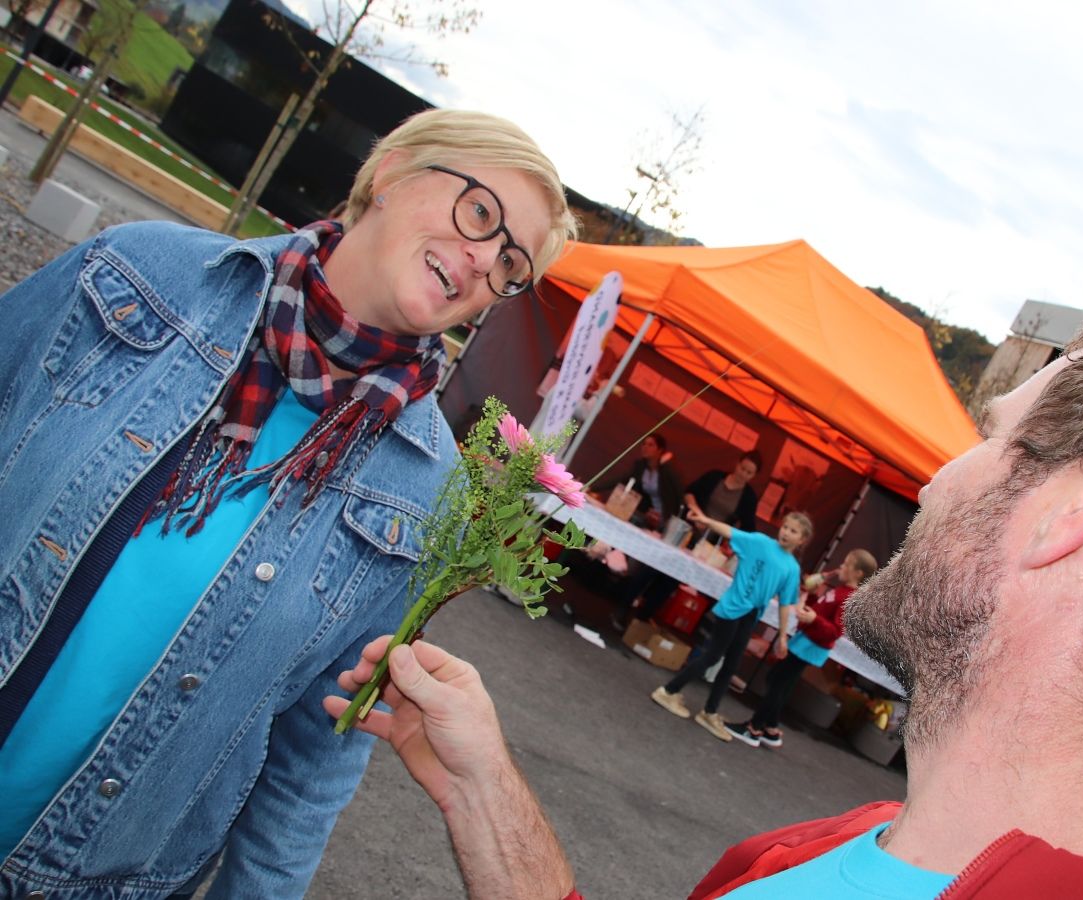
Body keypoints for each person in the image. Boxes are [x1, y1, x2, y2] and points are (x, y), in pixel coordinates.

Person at [329, 301, 1083, 899]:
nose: (940, 481)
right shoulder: (834, 845)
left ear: (1080, 506)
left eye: (992, 440)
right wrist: (485, 793)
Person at [0, 108, 576, 898]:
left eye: (511, 264)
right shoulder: (138, 274)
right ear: (391, 171)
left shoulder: (426, 492)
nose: (483, 261)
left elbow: (314, 759)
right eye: (480, 213)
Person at [650, 509, 811, 742]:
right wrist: (706, 520)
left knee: (731, 664)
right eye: (785, 527)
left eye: (793, 531)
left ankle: (709, 712)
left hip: (751, 614)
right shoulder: (759, 542)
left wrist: (783, 636)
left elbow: (786, 604)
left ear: (802, 540)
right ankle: (669, 691)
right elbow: (730, 531)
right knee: (713, 656)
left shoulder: (793, 569)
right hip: (733, 606)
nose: (786, 532)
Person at [725, 549, 878, 749]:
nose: (842, 566)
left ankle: (754, 727)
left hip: (812, 645)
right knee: (779, 681)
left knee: (778, 681)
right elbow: (821, 610)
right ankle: (770, 728)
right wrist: (813, 598)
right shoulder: (840, 591)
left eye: (847, 564)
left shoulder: (850, 599)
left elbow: (835, 631)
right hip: (806, 640)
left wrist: (814, 619)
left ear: (858, 573)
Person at [620, 451, 764, 624]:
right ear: (737, 463)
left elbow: (748, 529)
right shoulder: (715, 476)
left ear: (754, 476)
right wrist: (697, 512)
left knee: (672, 579)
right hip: (684, 529)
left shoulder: (748, 497)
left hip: (705, 545)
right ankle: (623, 607)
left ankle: (642, 618)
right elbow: (689, 492)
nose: (743, 474)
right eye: (743, 468)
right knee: (652, 566)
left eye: (749, 473)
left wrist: (730, 541)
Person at [598, 432, 682, 529]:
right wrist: (593, 487)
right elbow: (620, 480)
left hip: (666, 517)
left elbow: (678, 494)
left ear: (660, 450)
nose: (645, 447)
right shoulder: (641, 466)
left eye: (650, 445)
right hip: (647, 515)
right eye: (644, 444)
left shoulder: (667, 470)